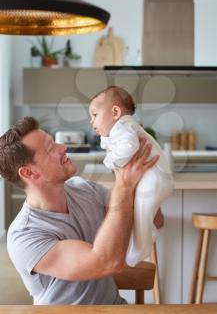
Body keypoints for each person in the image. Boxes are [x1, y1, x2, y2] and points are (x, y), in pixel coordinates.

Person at [0, 116, 162, 305]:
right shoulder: (24, 235)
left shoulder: (86, 190)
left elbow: (155, 220)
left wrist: (139, 167)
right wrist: (124, 185)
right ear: (29, 173)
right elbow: (106, 262)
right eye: (51, 149)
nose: (63, 148)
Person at [89, 86, 174, 266]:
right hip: (155, 180)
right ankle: (142, 241)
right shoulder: (125, 127)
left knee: (141, 215)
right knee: (141, 214)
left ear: (115, 112)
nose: (91, 121)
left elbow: (129, 147)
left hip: (154, 180)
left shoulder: (123, 127)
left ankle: (138, 251)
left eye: (95, 115)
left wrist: (110, 160)